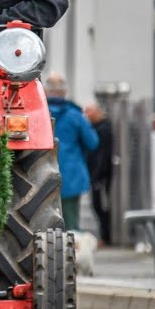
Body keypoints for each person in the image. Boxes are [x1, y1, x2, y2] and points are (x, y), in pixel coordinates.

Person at [44, 73, 99, 232]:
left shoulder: (39, 114)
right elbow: (93, 143)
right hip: (72, 176)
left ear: (45, 91)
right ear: (64, 91)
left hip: (41, 175)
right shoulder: (76, 115)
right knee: (71, 224)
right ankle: (71, 254)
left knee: (44, 224)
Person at [84, 102, 115, 245]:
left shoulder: (103, 129)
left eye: (89, 112)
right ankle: (105, 236)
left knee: (101, 205)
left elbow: (104, 155)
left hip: (101, 176)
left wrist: (98, 174)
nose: (86, 115)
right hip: (96, 174)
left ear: (97, 112)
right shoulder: (97, 128)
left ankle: (106, 237)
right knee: (98, 205)